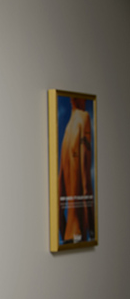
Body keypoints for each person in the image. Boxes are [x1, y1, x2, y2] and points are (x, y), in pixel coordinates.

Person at [58, 97, 95, 244]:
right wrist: (92, 230)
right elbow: (86, 184)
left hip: (67, 234)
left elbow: (60, 191)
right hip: (80, 230)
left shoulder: (67, 132)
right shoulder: (83, 119)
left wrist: (64, 232)